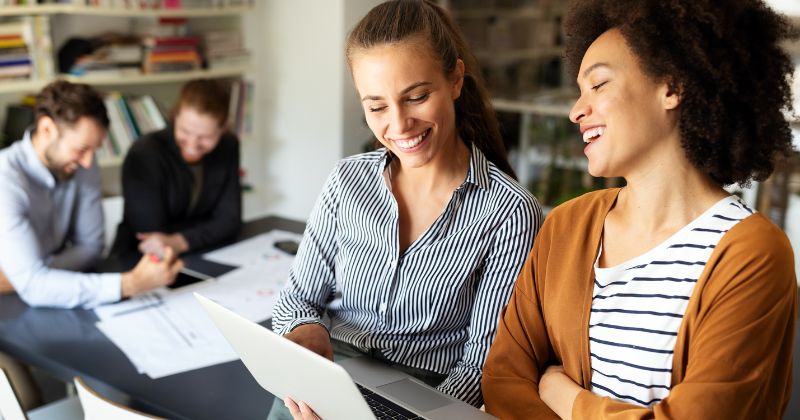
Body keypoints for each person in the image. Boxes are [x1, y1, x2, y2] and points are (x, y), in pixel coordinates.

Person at [482, 1, 798, 418]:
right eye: (579, 92)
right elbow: (504, 380)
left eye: (598, 85)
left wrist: (562, 394)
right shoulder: (566, 225)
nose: (576, 110)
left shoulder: (751, 253)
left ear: (671, 87)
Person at [271, 1, 543, 418]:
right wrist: (305, 331)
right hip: (328, 376)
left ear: (455, 79)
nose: (398, 126)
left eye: (416, 97)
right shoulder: (347, 182)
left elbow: (481, 368)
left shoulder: (508, 211)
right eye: (377, 106)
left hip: (425, 396)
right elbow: (296, 299)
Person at [0, 80, 182, 410]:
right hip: (6, 319)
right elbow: (36, 284)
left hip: (35, 298)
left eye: (93, 151)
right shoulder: (6, 180)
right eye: (81, 149)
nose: (88, 163)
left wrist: (30, 276)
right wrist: (131, 283)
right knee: (27, 399)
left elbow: (91, 247)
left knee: (118, 376)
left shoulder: (83, 165)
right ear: (46, 128)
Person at [110, 78, 242, 258]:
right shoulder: (145, 153)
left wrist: (179, 241)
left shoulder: (228, 146)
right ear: (174, 117)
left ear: (223, 129)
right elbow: (152, 236)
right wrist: (208, 228)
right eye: (185, 131)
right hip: (140, 259)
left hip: (201, 253)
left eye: (205, 137)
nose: (193, 145)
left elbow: (230, 220)